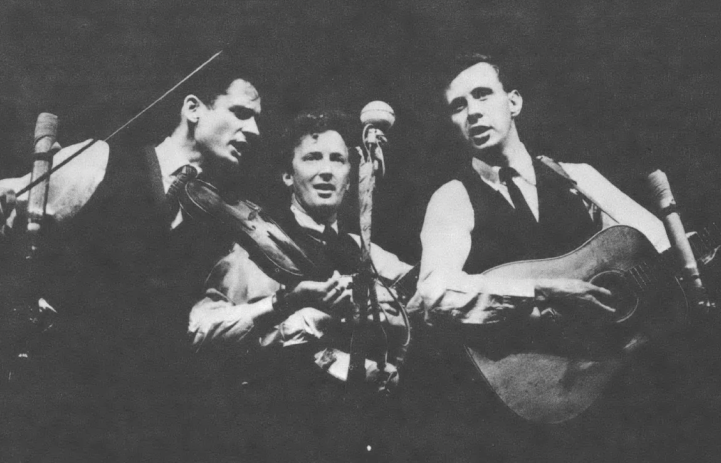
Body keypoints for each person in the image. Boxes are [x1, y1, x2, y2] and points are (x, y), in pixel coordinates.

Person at [402, 52, 679, 462]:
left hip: (604, 377)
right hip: (521, 402)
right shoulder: (453, 197)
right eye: (458, 106)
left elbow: (660, 248)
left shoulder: (577, 177)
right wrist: (543, 291)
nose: (473, 113)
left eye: (482, 95)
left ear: (513, 102)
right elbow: (433, 295)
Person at [0, 54, 262, 462]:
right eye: (242, 113)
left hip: (147, 427)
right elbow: (17, 199)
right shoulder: (102, 159)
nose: (254, 130)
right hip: (58, 408)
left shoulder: (219, 222)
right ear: (193, 108)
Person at [188, 109, 413, 462]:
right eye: (311, 158)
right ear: (287, 175)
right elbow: (201, 332)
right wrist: (284, 304)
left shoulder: (368, 253)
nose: (326, 170)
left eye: (337, 160)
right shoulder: (255, 250)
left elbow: (425, 299)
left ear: (350, 177)